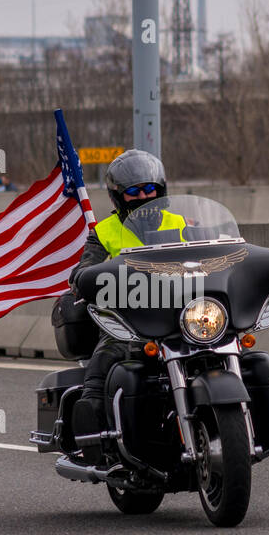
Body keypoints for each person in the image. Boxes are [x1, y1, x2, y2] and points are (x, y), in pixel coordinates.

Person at [68, 149, 184, 466]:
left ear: (161, 190)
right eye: (133, 192)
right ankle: (91, 439)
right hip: (129, 320)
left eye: (149, 189)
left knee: (234, 347)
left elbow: (217, 251)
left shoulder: (184, 223)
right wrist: (82, 278)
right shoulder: (102, 233)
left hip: (181, 315)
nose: (143, 196)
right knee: (103, 361)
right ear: (119, 196)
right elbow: (83, 270)